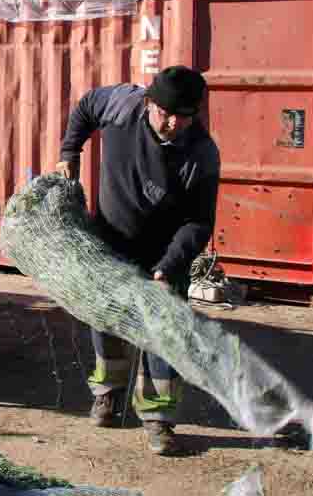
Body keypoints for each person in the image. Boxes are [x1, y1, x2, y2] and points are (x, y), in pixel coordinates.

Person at [55, 66, 221, 456]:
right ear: (148, 103)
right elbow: (84, 108)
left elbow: (199, 222)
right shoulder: (121, 105)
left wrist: (169, 266)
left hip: (165, 251)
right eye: (165, 113)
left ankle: (158, 419)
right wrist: (69, 152)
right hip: (112, 239)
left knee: (164, 333)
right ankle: (109, 395)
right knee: (106, 320)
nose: (173, 123)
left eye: (183, 116)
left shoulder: (200, 153)